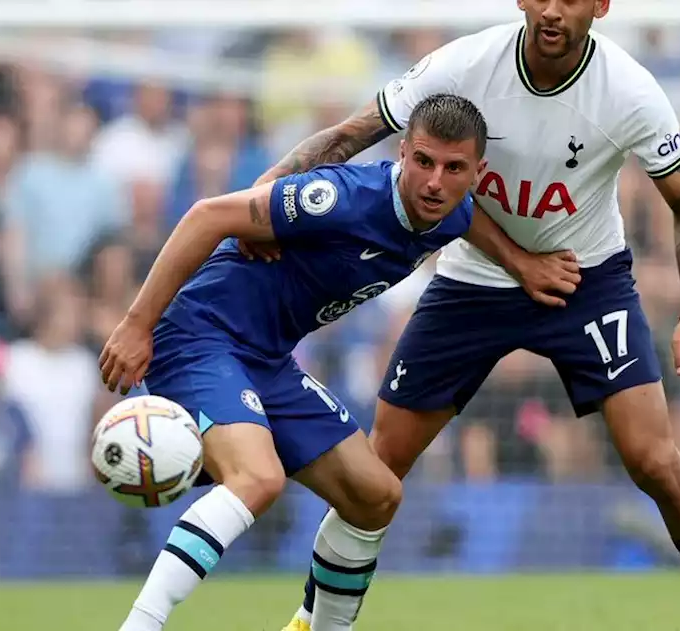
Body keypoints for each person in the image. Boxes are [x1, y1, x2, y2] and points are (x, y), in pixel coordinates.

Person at [249, 3, 680, 631]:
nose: (552, 10)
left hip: (587, 279)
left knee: (654, 459)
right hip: (474, 279)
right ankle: (312, 619)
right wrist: (262, 197)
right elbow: (350, 135)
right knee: (377, 466)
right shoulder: (465, 65)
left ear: (601, 6)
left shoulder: (630, 92)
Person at [99, 94, 578, 631]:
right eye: (422, 161)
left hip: (267, 361)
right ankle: (141, 624)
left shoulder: (452, 210)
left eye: (453, 168)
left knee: (375, 496)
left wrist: (521, 262)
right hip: (201, 336)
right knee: (258, 478)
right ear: (402, 153)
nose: (435, 182)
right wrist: (137, 325)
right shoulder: (341, 199)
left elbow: (470, 221)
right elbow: (207, 215)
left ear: (477, 173)